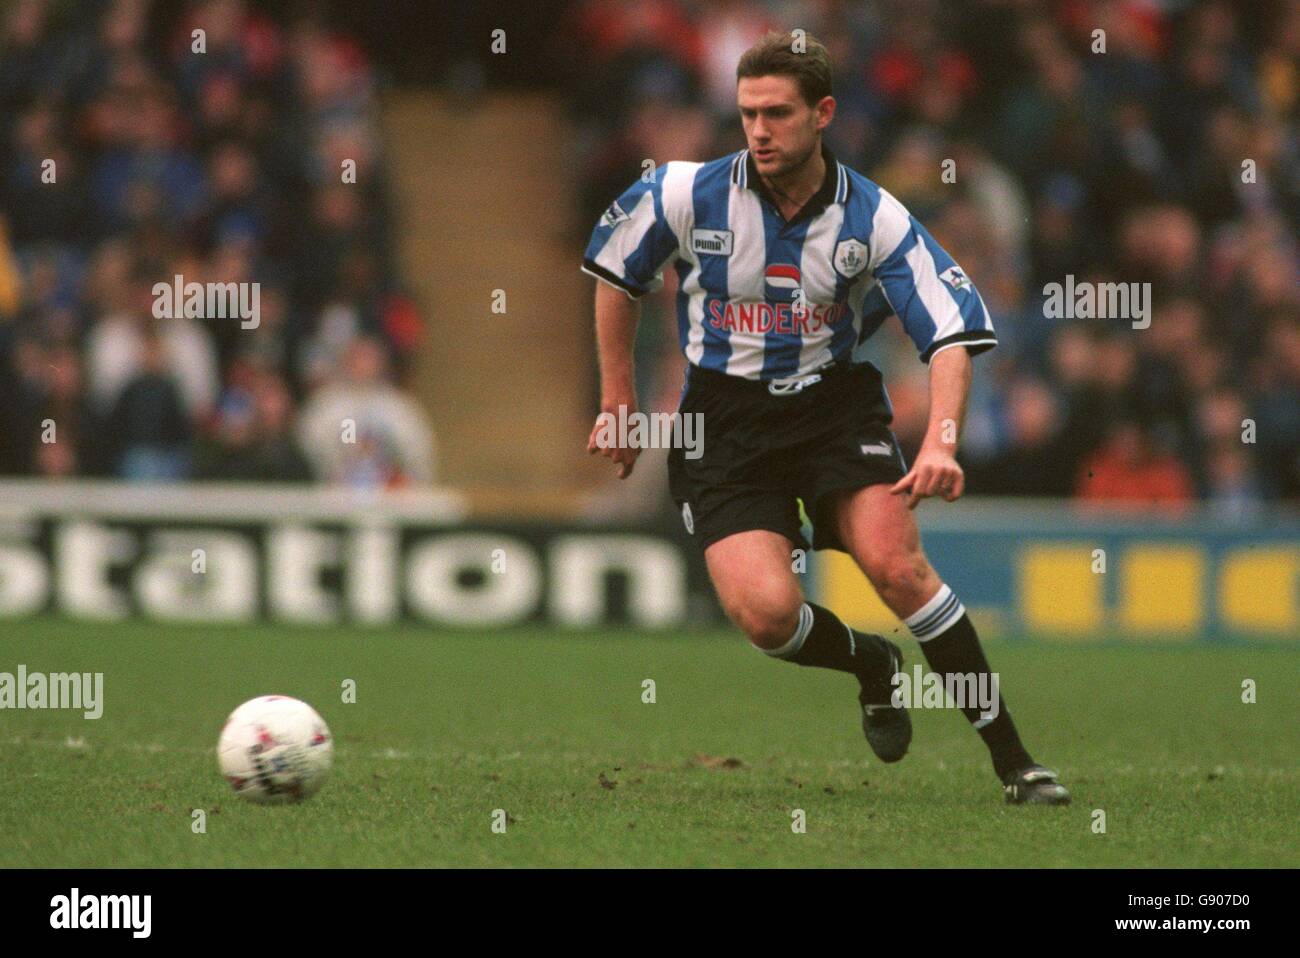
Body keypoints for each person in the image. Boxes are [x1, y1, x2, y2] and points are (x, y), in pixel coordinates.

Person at [583, 32, 1068, 805]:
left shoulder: (873, 217)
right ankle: (873, 665)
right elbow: (615, 272)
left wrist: (942, 440)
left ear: (824, 114)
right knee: (767, 617)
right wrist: (618, 397)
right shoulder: (683, 192)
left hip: (832, 410)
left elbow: (949, 332)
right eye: (747, 114)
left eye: (777, 113)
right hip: (723, 422)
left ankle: (1017, 763)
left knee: (898, 567)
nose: (760, 131)